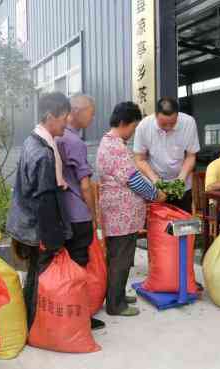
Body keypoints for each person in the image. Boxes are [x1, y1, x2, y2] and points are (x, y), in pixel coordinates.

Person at [6, 92, 73, 328]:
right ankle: (35, 325)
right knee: (40, 277)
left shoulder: (32, 141)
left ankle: (30, 321)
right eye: (64, 117)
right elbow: (44, 200)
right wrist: (51, 239)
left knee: (34, 274)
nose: (67, 122)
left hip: (26, 222)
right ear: (50, 116)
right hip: (36, 227)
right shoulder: (43, 153)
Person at [97, 101, 166, 317]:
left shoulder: (109, 142)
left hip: (119, 212)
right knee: (121, 258)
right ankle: (116, 305)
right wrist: (156, 194)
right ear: (124, 123)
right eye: (134, 127)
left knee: (118, 256)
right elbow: (134, 180)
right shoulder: (115, 147)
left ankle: (115, 294)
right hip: (121, 214)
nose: (134, 132)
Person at [55, 94, 105, 330]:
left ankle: (65, 313)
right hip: (77, 213)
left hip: (60, 213)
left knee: (64, 266)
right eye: (91, 113)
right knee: (79, 266)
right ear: (77, 111)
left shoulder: (55, 137)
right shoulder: (75, 142)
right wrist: (93, 215)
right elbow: (85, 185)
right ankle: (80, 317)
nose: (92, 117)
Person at [134, 97, 200, 213]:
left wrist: (181, 179)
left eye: (172, 123)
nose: (168, 127)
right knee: (157, 225)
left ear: (178, 115)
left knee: (182, 225)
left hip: (182, 186)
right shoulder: (143, 126)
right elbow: (139, 159)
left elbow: (191, 156)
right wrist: (155, 180)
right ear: (156, 115)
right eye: (163, 124)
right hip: (155, 187)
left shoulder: (189, 123)